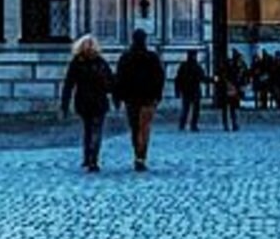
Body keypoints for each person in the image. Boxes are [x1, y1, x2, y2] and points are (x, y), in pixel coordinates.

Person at [113, 28, 167, 171]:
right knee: (144, 128)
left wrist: (117, 97)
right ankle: (141, 157)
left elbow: (119, 78)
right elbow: (159, 78)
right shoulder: (152, 57)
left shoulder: (125, 57)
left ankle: (137, 154)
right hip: (148, 98)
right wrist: (158, 95)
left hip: (131, 98)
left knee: (135, 127)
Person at [59, 34, 114, 173]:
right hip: (98, 101)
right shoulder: (100, 62)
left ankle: (87, 157)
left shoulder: (77, 62)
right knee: (96, 130)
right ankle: (92, 160)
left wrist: (64, 105)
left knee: (88, 130)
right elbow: (111, 82)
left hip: (83, 101)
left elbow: (69, 84)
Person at [174, 49, 207, 131]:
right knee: (192, 109)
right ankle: (192, 125)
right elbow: (202, 77)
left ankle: (184, 125)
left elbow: (178, 79)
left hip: (188, 90)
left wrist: (177, 91)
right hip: (193, 90)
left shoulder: (185, 66)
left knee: (187, 109)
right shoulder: (195, 66)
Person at [215, 48, 247, 131]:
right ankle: (231, 124)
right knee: (230, 108)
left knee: (229, 108)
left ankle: (230, 124)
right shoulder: (234, 66)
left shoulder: (234, 66)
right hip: (229, 88)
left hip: (230, 88)